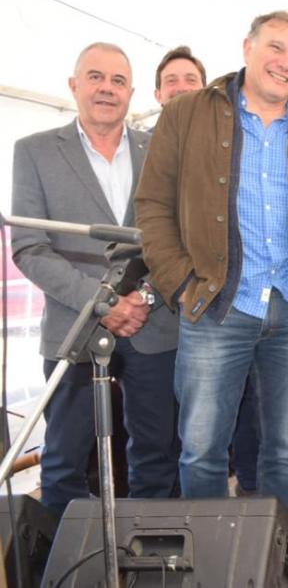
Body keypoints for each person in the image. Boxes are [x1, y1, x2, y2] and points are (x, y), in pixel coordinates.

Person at [134, 11, 288, 514]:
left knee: (285, 450)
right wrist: (183, 284)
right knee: (203, 450)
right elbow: (153, 206)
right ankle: (209, 562)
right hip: (215, 307)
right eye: (277, 48)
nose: (287, 63)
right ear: (247, 48)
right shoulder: (185, 115)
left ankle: (272, 558)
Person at [11, 42, 179, 517]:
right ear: (74, 85)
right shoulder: (35, 152)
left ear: (132, 92)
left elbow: (180, 240)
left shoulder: (160, 150)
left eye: (118, 81)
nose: (107, 88)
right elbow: (29, 246)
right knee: (64, 460)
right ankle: (69, 565)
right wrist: (105, 303)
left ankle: (147, 555)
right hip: (75, 328)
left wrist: (144, 297)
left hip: (154, 326)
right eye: (96, 77)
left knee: (156, 454)